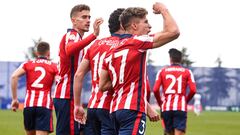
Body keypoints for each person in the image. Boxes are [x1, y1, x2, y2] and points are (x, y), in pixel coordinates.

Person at [99, 2, 180, 135]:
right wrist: (163, 10)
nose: (150, 26)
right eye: (146, 22)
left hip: (115, 110)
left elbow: (103, 85)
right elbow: (173, 32)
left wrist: (126, 80)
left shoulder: (110, 52)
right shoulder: (138, 41)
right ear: (134, 26)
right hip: (132, 110)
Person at [52, 4, 103, 135]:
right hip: (66, 94)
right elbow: (70, 49)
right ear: (73, 20)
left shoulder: (78, 39)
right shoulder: (72, 35)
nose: (88, 20)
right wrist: (94, 35)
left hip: (70, 95)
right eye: (84, 17)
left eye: (89, 17)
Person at [73, 8, 125, 135]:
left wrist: (77, 105)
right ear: (124, 25)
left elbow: (78, 75)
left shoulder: (95, 44)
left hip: (93, 107)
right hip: (111, 107)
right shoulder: (124, 45)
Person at [11, 41, 58, 135]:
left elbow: (14, 76)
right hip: (44, 105)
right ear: (48, 53)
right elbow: (58, 82)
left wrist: (14, 99)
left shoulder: (28, 64)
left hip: (29, 105)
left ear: (37, 53)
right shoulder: (54, 66)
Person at [153, 48, 197, 135]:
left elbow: (155, 90)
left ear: (170, 59)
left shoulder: (162, 71)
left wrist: (160, 103)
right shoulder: (187, 72)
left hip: (166, 107)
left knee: (169, 133)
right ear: (181, 59)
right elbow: (193, 90)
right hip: (180, 107)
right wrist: (185, 101)